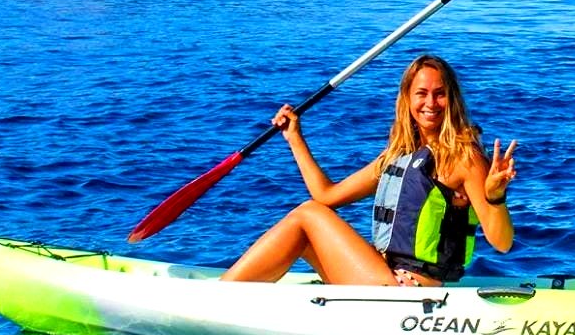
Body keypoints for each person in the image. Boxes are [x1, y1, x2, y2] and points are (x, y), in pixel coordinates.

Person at [220, 54, 517, 286]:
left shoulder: (464, 156)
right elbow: (327, 195)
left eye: (440, 94)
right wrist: (295, 138)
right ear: (407, 99)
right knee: (307, 226)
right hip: (381, 276)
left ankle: (220, 296)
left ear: (452, 99)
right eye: (421, 93)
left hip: (410, 290)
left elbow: (501, 243)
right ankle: (237, 296)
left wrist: (495, 196)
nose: (431, 103)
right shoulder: (398, 155)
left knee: (306, 214)